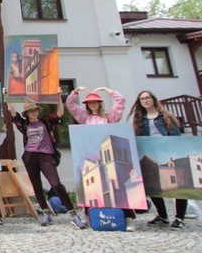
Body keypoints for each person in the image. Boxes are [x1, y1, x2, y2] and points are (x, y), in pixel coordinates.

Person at [10, 92, 87, 229]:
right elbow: (13, 113)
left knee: (56, 184)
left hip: (46, 156)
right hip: (30, 156)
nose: (33, 113)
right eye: (30, 111)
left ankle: (73, 213)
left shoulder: (45, 122)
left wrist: (58, 97)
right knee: (37, 186)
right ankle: (45, 213)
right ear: (26, 113)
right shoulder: (24, 124)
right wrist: (7, 99)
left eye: (35, 110)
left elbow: (60, 113)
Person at [67, 85, 136, 230]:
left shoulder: (109, 118)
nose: (92, 104)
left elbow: (121, 101)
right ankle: (91, 216)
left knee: (117, 186)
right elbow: (70, 105)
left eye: (95, 102)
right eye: (90, 102)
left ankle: (126, 217)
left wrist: (107, 90)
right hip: (91, 155)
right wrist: (75, 91)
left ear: (99, 103)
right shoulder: (84, 118)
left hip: (109, 155)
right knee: (91, 188)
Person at [129, 90, 187, 229]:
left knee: (178, 186)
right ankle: (162, 216)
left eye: (147, 98)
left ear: (153, 99)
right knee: (153, 186)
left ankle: (179, 217)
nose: (145, 101)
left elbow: (175, 136)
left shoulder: (166, 117)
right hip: (151, 154)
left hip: (167, 152)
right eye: (142, 99)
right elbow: (137, 137)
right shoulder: (140, 119)